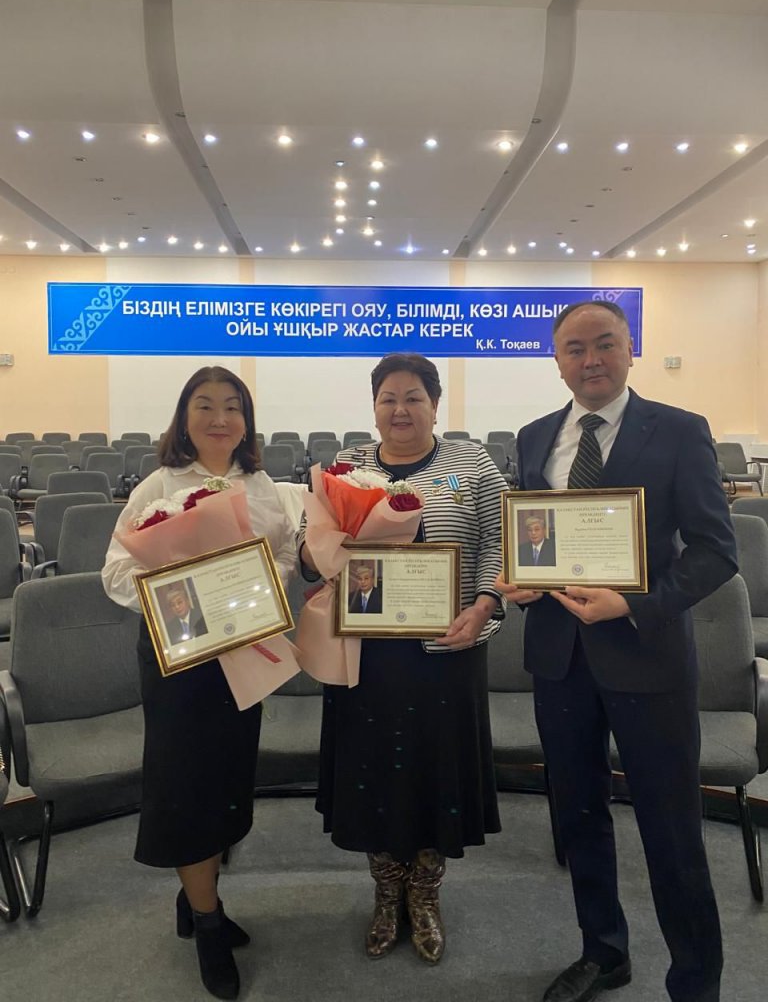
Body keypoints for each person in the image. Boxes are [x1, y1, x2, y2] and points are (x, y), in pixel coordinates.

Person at [496, 301, 736, 1002]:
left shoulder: (680, 430)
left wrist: (635, 603)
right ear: (557, 361)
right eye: (574, 349)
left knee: (671, 829)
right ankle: (604, 951)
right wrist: (522, 578)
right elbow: (535, 535)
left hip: (646, 655)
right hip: (560, 659)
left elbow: (715, 551)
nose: (591, 359)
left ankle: (695, 982)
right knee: (578, 816)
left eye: (604, 343)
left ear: (630, 348)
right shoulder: (535, 436)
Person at [299, 352, 505, 965]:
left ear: (435, 405)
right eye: (388, 398)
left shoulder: (473, 464)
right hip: (368, 657)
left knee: (435, 775)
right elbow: (312, 547)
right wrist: (317, 557)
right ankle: (387, 892)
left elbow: (499, 541)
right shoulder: (347, 468)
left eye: (414, 397)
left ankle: (426, 892)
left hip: (447, 650)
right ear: (374, 407)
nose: (400, 409)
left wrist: (486, 604)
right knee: (374, 778)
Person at [103, 366, 296, 1001]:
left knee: (226, 783)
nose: (220, 418)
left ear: (247, 421)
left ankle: (196, 899)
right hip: (179, 658)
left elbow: (286, 556)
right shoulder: (160, 485)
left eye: (232, 407)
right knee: (186, 787)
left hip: (241, 651)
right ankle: (208, 924)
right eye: (205, 406)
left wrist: (262, 583)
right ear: (184, 418)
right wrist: (177, 588)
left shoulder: (263, 486)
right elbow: (114, 572)